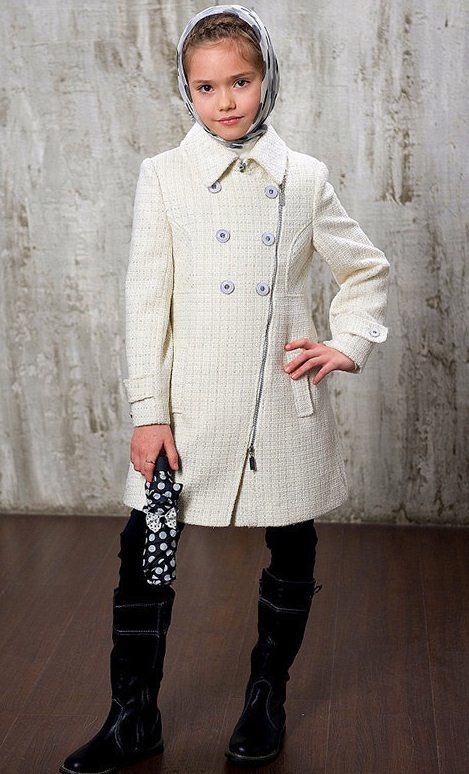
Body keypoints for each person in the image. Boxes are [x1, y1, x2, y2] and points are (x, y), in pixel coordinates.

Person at [59, 4, 390, 772]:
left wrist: (345, 343)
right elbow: (146, 302)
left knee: (291, 545)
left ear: (267, 78)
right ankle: (132, 716)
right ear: (186, 90)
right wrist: (148, 414)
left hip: (278, 405)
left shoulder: (302, 178)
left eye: (240, 81)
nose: (226, 100)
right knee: (146, 553)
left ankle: (265, 696)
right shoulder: (164, 176)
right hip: (185, 411)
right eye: (206, 87)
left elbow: (365, 269)